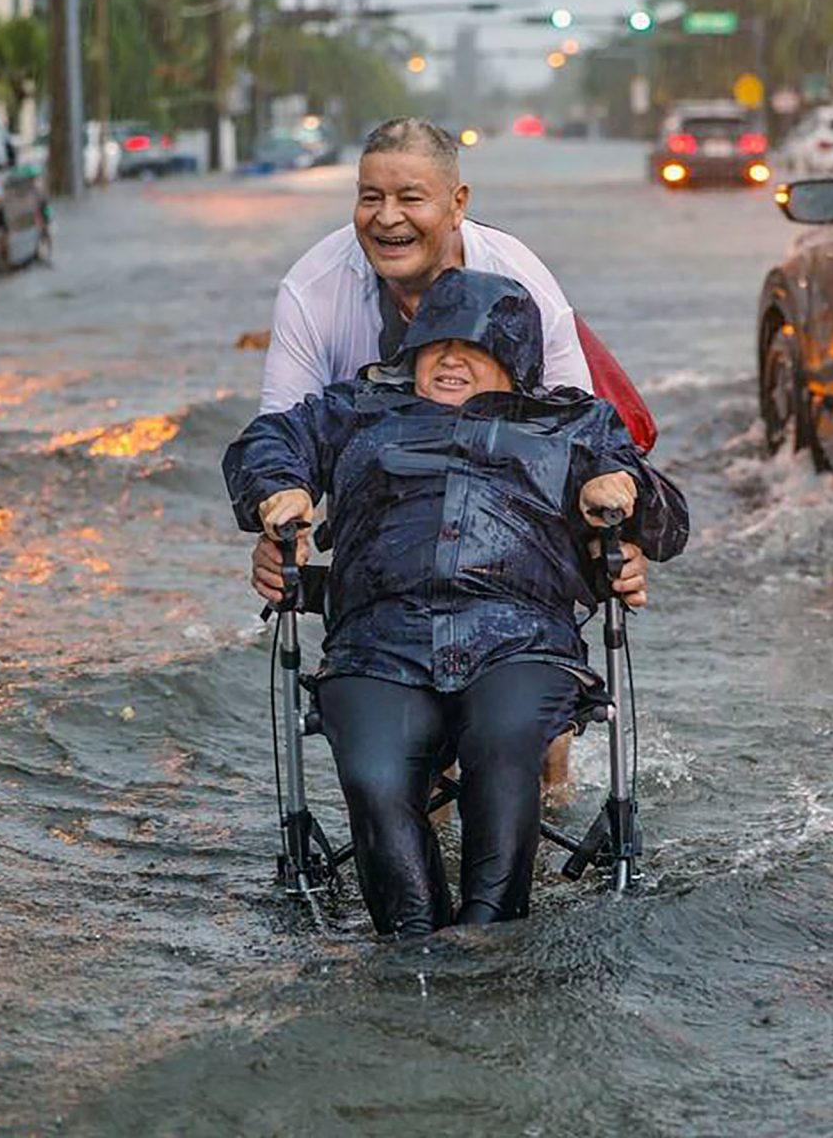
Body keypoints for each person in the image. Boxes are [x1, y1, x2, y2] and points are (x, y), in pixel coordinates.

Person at [224, 270, 689, 936]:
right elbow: (266, 442)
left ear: (517, 361)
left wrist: (625, 484)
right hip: (378, 641)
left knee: (503, 749)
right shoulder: (354, 409)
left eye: (473, 347)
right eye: (434, 345)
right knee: (376, 774)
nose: (448, 359)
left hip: (521, 641)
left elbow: (671, 528)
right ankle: (412, 945)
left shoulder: (574, 423)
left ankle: (488, 940)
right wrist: (278, 489)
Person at [249, 116, 655, 610]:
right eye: (370, 197)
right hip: (385, 535)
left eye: (410, 198)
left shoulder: (518, 281)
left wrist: (611, 537)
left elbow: (575, 431)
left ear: (458, 204)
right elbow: (283, 434)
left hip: (508, 540)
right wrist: (278, 516)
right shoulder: (313, 290)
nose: (387, 218)